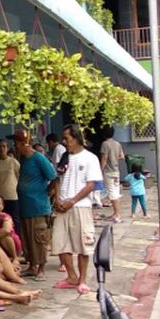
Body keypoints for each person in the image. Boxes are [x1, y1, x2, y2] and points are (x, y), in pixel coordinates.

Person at [51, 125, 102, 294]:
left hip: (80, 206)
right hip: (62, 206)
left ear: (77, 138)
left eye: (67, 138)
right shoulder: (64, 157)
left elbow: (91, 185)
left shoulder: (90, 158)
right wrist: (57, 199)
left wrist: (72, 201)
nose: (64, 142)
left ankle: (82, 279)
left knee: (82, 245)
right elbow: (57, 179)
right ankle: (71, 276)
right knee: (60, 242)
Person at [13, 129, 57, 280]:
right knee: (27, 238)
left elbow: (53, 177)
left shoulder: (38, 158)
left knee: (39, 238)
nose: (15, 146)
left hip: (38, 206)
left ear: (21, 143)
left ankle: (41, 269)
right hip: (25, 206)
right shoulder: (24, 159)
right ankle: (32, 266)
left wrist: (47, 193)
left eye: (16, 143)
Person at [99, 127, 126, 224]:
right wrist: (114, 159)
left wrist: (100, 170)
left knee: (112, 194)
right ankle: (115, 213)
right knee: (115, 192)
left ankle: (117, 214)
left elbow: (104, 158)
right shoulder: (117, 144)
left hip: (108, 172)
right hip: (116, 171)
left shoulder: (105, 144)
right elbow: (122, 156)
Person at [0, 139, 21, 221]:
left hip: (12, 195)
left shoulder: (13, 162)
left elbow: (19, 176)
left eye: (4, 146)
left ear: (7, 148)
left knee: (14, 219)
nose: (2, 149)